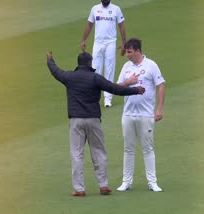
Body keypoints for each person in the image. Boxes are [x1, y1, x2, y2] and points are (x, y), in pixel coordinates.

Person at [46, 51, 144, 197]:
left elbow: (56, 72)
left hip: (76, 120)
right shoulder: (95, 78)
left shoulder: (69, 77)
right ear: (90, 63)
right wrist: (135, 90)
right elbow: (115, 89)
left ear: (78, 63)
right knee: (98, 151)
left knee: (77, 154)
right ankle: (103, 185)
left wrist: (50, 61)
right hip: (93, 119)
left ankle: (79, 189)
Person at [116, 38, 165, 192]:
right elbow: (117, 87)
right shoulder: (126, 67)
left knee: (147, 149)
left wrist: (159, 109)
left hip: (146, 115)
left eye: (129, 52)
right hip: (128, 114)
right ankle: (126, 182)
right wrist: (128, 82)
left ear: (137, 50)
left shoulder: (151, 65)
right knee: (128, 149)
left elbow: (161, 86)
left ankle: (152, 183)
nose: (127, 55)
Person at [81, 0, 126, 107]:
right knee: (95, 69)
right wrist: (83, 40)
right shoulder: (95, 9)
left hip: (111, 42)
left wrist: (124, 42)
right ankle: (94, 97)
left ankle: (108, 99)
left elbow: (122, 26)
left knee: (109, 70)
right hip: (98, 43)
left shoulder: (116, 9)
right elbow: (89, 25)